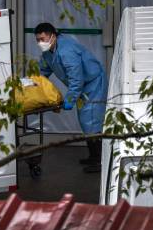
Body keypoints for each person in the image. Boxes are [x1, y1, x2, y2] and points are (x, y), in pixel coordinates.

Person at [35, 22, 107, 172]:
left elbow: (76, 80)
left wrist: (68, 101)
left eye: (42, 39)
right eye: (38, 40)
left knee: (92, 121)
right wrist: (33, 86)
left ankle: (100, 162)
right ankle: (94, 156)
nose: (40, 43)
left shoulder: (67, 51)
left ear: (53, 36)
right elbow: (43, 71)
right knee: (85, 121)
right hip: (82, 87)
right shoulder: (49, 52)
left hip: (93, 85)